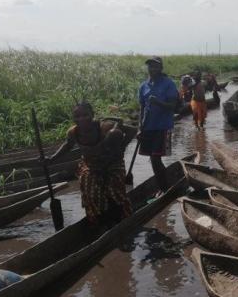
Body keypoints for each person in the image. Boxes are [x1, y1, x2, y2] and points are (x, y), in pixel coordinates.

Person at [49, 101, 136, 225]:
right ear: (74, 118)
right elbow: (67, 145)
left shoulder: (104, 126)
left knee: (114, 192)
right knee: (90, 190)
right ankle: (99, 219)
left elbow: (132, 130)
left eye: (85, 115)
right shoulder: (73, 132)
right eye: (78, 116)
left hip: (112, 163)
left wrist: (121, 147)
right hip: (91, 165)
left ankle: (121, 218)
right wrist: (52, 158)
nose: (82, 119)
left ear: (92, 115)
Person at [138, 56, 179, 194]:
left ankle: (164, 187)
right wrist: (140, 127)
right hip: (148, 126)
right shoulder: (143, 86)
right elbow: (142, 108)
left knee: (155, 158)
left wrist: (158, 102)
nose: (152, 69)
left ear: (161, 68)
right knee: (153, 159)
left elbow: (173, 106)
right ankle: (164, 182)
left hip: (163, 126)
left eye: (155, 66)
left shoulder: (168, 84)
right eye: (150, 66)